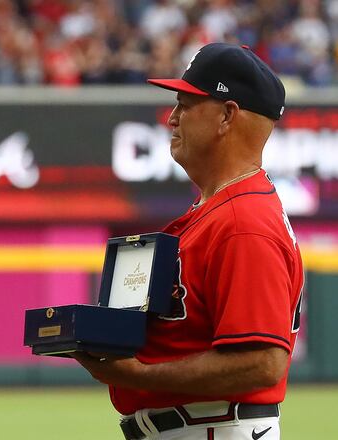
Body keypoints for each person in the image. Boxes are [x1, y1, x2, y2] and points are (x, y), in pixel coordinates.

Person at [72, 43, 303, 440]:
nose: (172, 119)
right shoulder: (215, 211)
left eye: (186, 104)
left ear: (227, 116)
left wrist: (140, 374)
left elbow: (262, 362)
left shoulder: (243, 222)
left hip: (215, 429)